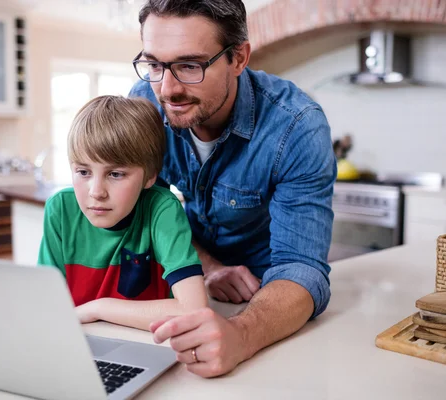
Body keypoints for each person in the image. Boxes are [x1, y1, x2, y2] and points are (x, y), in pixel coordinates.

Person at [129, 0, 336, 377]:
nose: (167, 89)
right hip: (184, 278)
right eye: (155, 64)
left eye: (190, 66)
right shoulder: (145, 103)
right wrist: (207, 267)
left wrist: (241, 335)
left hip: (263, 297)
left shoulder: (297, 127)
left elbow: (301, 268)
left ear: (238, 59)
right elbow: (142, 211)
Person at [38, 95, 208, 331]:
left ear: (150, 176)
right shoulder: (60, 209)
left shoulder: (162, 210)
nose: (96, 192)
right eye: (83, 172)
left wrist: (99, 308)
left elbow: (195, 311)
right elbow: (46, 306)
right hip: (80, 345)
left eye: (115, 174)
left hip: (148, 345)